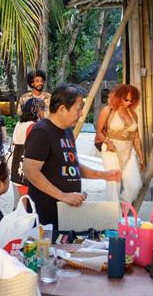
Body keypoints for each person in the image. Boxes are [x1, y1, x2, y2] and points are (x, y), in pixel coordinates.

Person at [23, 84, 122, 236]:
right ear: (63, 108)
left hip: (66, 211)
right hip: (46, 213)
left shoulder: (67, 131)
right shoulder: (41, 131)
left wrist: (103, 175)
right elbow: (31, 171)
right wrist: (63, 196)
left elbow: (71, 165)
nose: (81, 114)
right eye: (78, 108)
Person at [95, 84, 145, 203]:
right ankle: (113, 215)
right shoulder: (108, 110)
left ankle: (121, 209)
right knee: (113, 184)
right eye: (125, 99)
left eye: (131, 100)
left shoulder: (133, 114)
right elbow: (99, 131)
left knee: (135, 184)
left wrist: (141, 158)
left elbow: (136, 138)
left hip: (128, 150)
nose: (128, 102)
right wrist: (107, 142)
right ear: (118, 97)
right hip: (110, 149)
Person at [10, 97, 45, 204]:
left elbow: (14, 143)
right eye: (43, 109)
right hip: (28, 169)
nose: (44, 112)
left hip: (17, 165)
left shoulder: (19, 124)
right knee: (29, 205)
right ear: (36, 110)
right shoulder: (34, 126)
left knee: (22, 202)